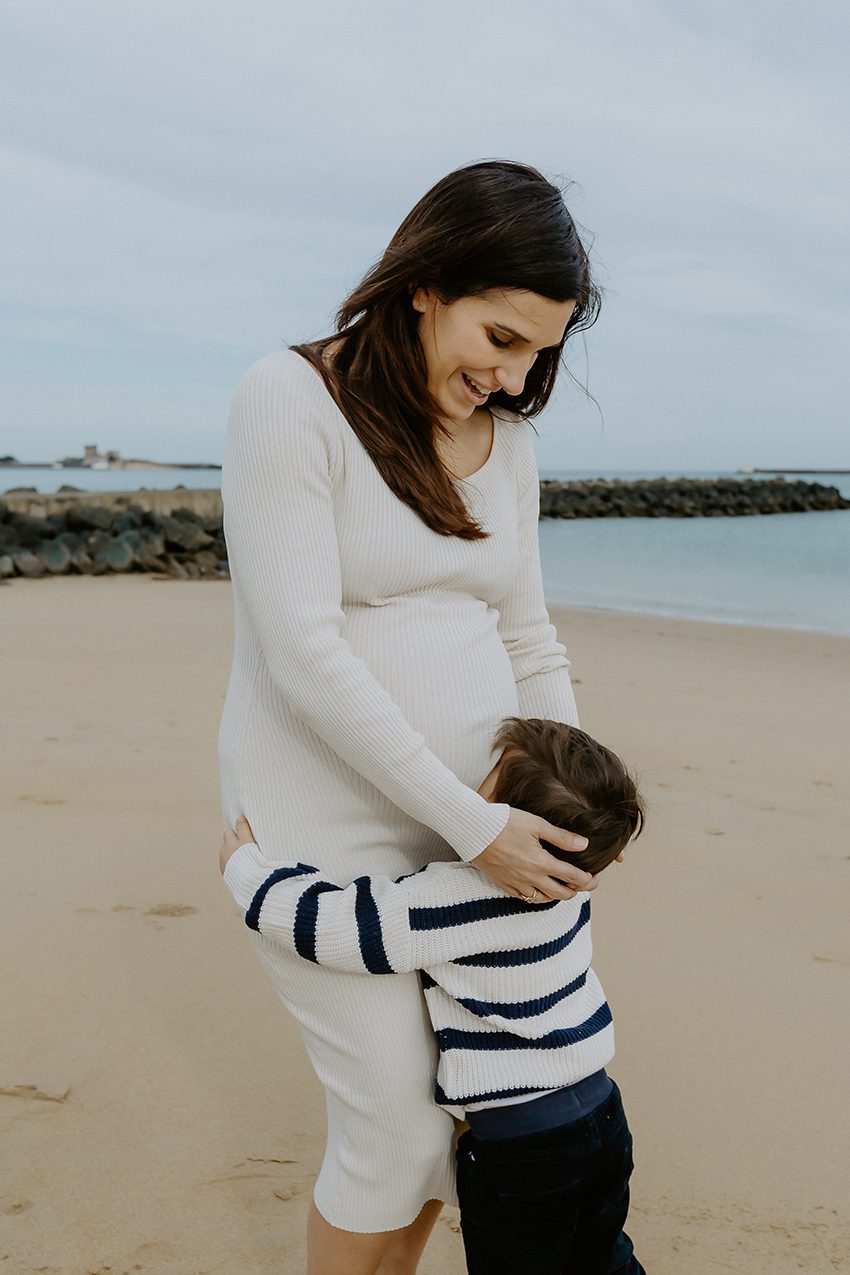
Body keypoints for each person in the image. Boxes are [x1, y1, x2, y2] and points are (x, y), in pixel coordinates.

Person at [218, 158, 602, 1273]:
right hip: (324, 817)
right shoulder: (290, 398)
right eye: (499, 336)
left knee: (456, 1119)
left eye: (541, 348)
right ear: (426, 281)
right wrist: (470, 821)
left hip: (478, 823)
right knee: (393, 1129)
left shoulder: (510, 444)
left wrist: (573, 802)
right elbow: (301, 647)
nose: (516, 372)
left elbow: (528, 640)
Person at [220, 716, 646, 1274]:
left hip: (524, 1143)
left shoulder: (465, 893)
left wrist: (248, 875)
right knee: (602, 1257)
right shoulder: (569, 889)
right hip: (602, 1113)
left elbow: (346, 929)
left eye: (486, 787)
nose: (469, 795)